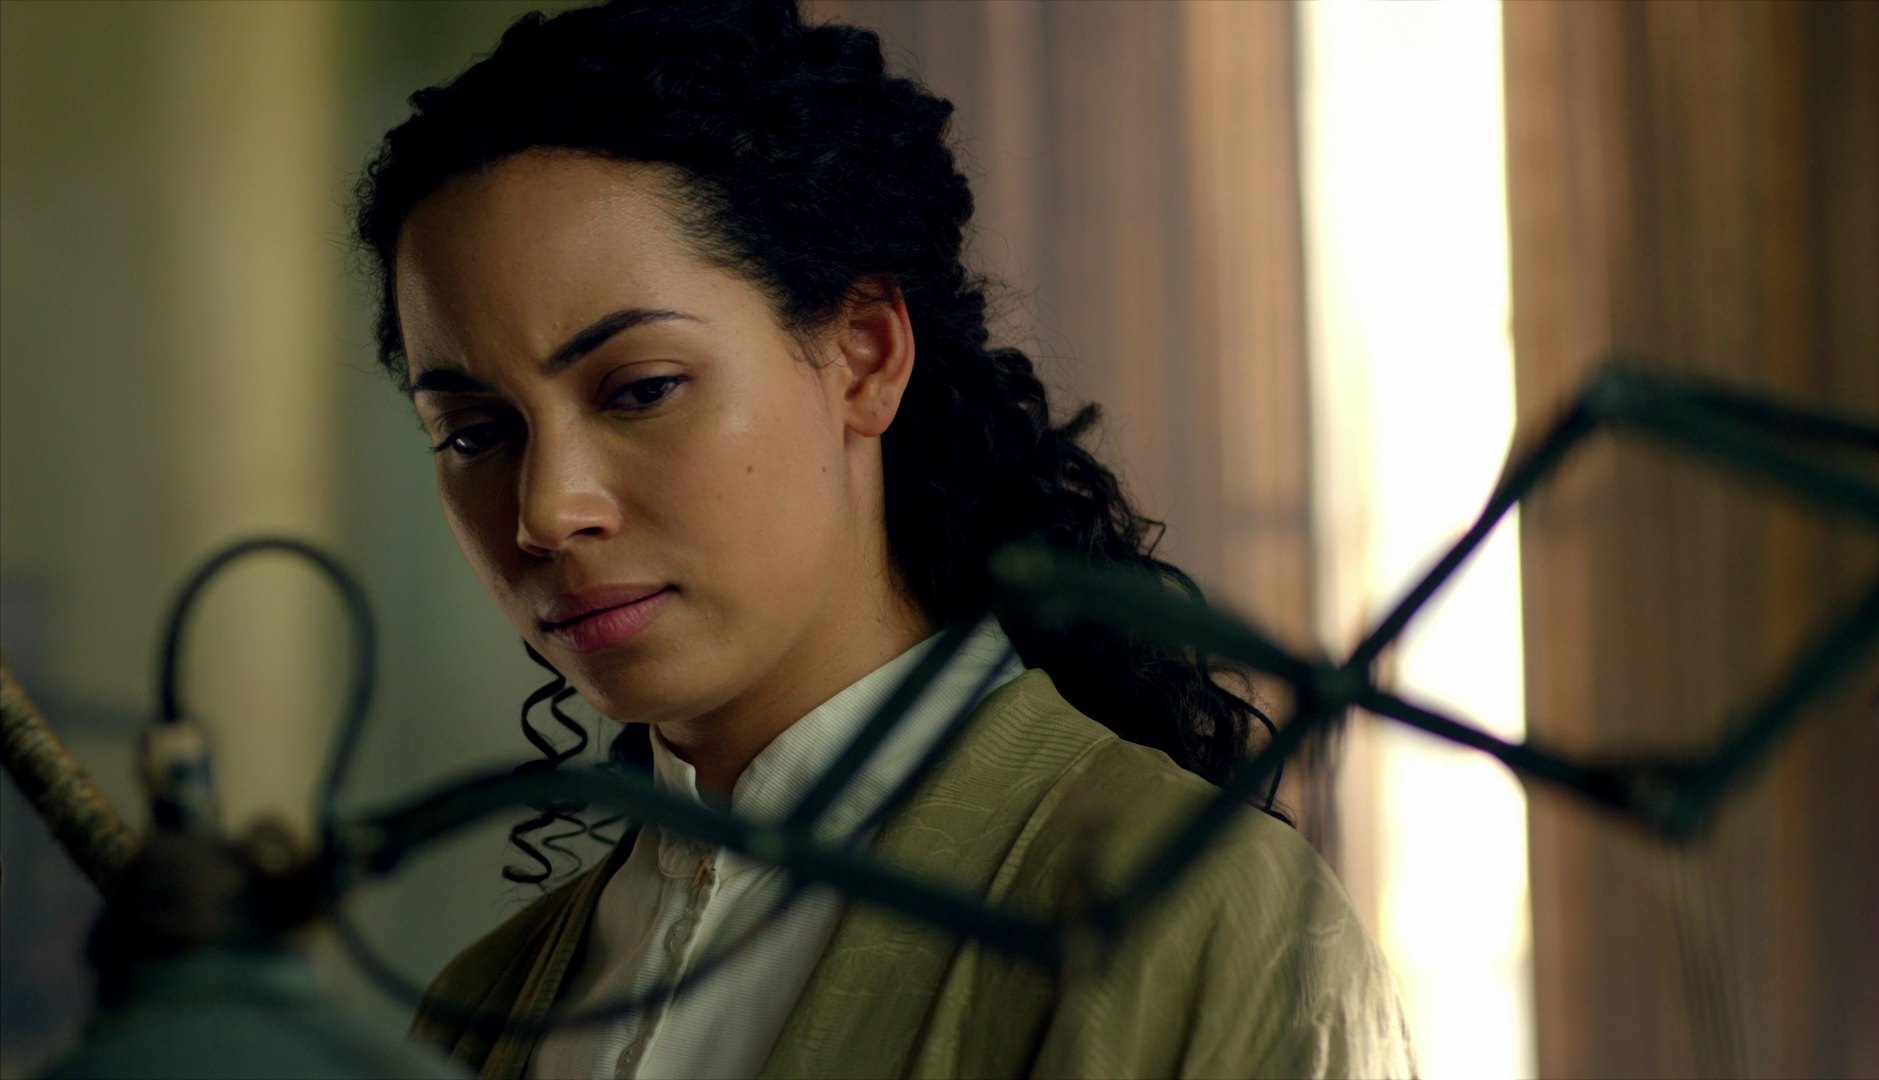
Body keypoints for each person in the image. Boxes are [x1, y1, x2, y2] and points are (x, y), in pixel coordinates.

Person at [352, 2, 1412, 1076]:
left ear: (862, 356)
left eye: (642, 390)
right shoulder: (486, 1009)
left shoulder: (1194, 918)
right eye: (475, 433)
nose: (546, 511)